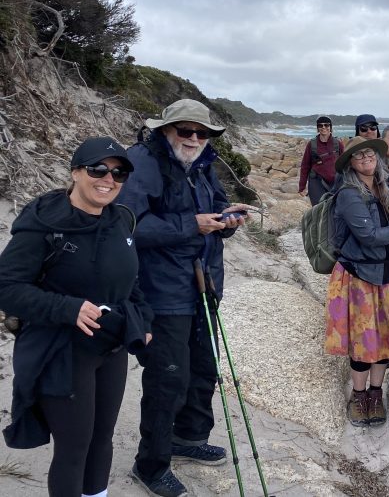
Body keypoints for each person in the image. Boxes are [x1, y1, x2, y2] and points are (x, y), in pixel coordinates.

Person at [0, 136, 153, 497]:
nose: (108, 179)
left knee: (102, 439)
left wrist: (143, 321)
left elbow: (130, 282)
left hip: (110, 347)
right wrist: (67, 308)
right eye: (98, 168)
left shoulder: (121, 219)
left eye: (119, 173)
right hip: (62, 350)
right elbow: (6, 286)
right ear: (75, 172)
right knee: (74, 448)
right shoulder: (44, 222)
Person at [117, 99, 248, 497]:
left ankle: (188, 437)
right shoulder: (141, 161)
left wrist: (227, 219)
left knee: (204, 367)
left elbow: (217, 205)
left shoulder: (205, 163)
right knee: (168, 377)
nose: (193, 139)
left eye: (201, 132)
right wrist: (191, 225)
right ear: (164, 130)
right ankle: (150, 465)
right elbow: (128, 223)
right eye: (184, 130)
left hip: (204, 283)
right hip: (161, 288)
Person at [323, 136, 389, 428]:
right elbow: (368, 237)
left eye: (370, 154)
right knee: (363, 341)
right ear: (351, 164)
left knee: (386, 337)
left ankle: (375, 394)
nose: (367, 159)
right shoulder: (348, 194)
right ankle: (358, 396)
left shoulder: (382, 187)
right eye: (359, 156)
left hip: (388, 272)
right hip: (360, 277)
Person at [299, 115, 344, 205]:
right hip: (316, 182)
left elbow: (345, 164)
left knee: (336, 209)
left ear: (330, 127)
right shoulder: (311, 144)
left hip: (335, 182)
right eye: (320, 125)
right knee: (318, 209)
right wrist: (302, 186)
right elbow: (305, 166)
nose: (323, 127)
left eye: (326, 125)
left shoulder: (338, 143)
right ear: (317, 128)